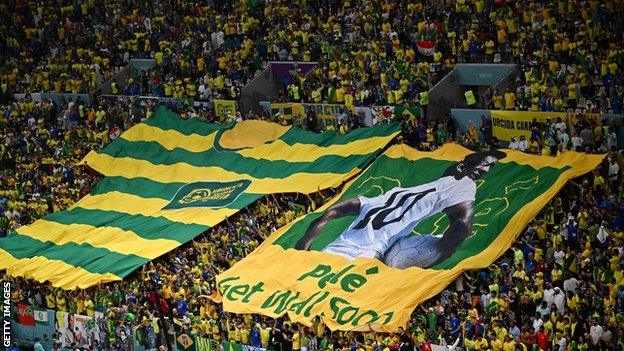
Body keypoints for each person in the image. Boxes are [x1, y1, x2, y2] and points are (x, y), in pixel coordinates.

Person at [295, 150, 506, 269]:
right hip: (366, 255)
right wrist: (441, 251)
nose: (486, 170)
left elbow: (331, 212)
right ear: (463, 168)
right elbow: (463, 228)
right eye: (484, 164)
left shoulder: (379, 198)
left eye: (490, 167)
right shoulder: (464, 185)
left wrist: (303, 244)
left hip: (333, 250)